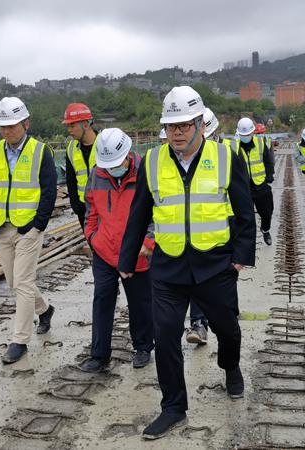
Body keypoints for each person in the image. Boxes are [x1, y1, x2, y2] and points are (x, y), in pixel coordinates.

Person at [118, 86, 256, 440]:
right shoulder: (152, 161)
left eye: (183, 125)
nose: (176, 133)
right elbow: (139, 214)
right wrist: (127, 258)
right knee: (165, 335)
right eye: (170, 126)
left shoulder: (226, 157)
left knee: (228, 329)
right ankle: (173, 407)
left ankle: (230, 367)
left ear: (200, 124)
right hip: (169, 266)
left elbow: (244, 212)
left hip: (215, 265)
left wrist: (240, 258)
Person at [0, 97, 57, 364]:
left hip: (28, 228)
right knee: (15, 281)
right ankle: (45, 310)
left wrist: (38, 225)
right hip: (1, 227)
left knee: (23, 282)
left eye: (11, 126)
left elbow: (49, 191)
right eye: (2, 126)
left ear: (26, 123)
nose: (6, 131)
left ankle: (20, 341)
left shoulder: (41, 151)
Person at [81, 128, 155, 373]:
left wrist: (149, 241)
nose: (112, 168)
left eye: (116, 163)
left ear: (128, 154)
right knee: (102, 298)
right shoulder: (97, 174)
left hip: (136, 251)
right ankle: (99, 354)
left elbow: (159, 211)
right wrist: (92, 237)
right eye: (108, 165)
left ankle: (143, 347)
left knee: (140, 302)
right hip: (104, 249)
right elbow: (90, 209)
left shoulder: (147, 172)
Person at [236, 117, 275, 246]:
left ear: (253, 132)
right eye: (243, 135)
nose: (246, 137)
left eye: (248, 134)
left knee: (267, 212)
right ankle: (248, 238)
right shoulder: (234, 146)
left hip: (260, 185)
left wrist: (269, 176)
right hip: (244, 187)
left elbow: (268, 161)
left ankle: (265, 230)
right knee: (245, 216)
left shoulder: (261, 143)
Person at [63, 103, 98, 229]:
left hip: (105, 207)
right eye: (68, 126)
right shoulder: (71, 148)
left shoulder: (104, 143)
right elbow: (71, 180)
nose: (69, 130)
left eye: (72, 126)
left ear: (86, 124)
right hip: (84, 210)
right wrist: (76, 206)